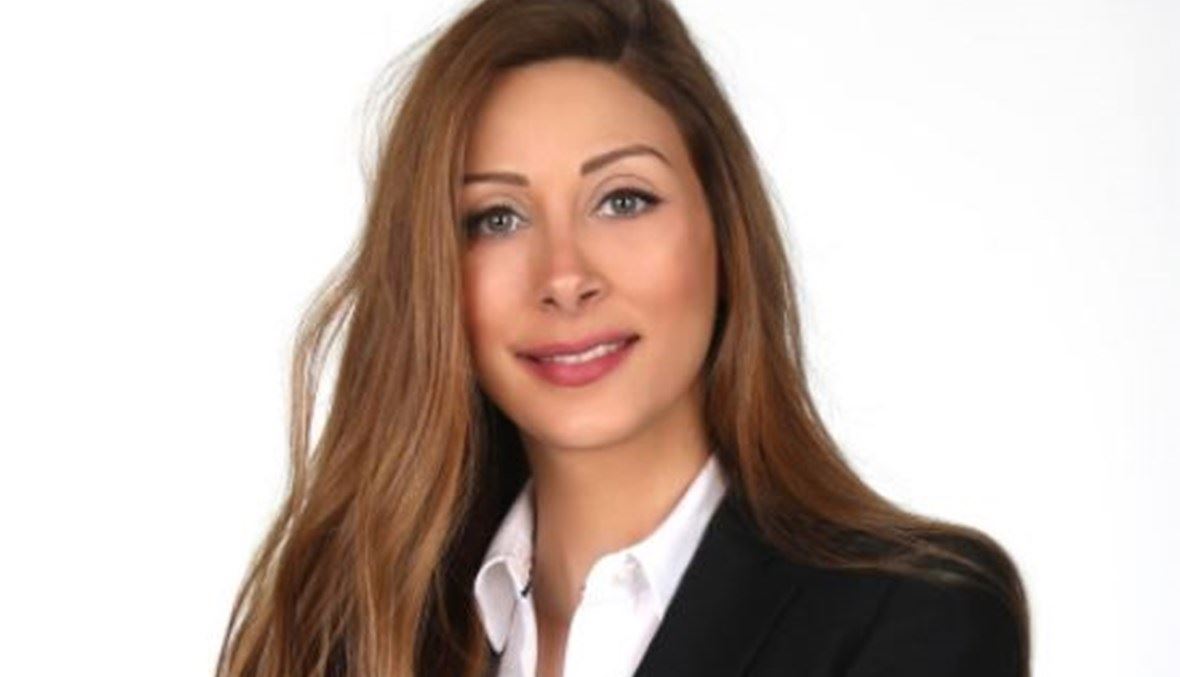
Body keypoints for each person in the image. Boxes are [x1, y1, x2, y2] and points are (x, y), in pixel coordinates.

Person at [215, 1, 1030, 676]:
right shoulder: (344, 638)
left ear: (725, 232)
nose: (565, 275)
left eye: (624, 200)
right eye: (496, 218)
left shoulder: (914, 615)